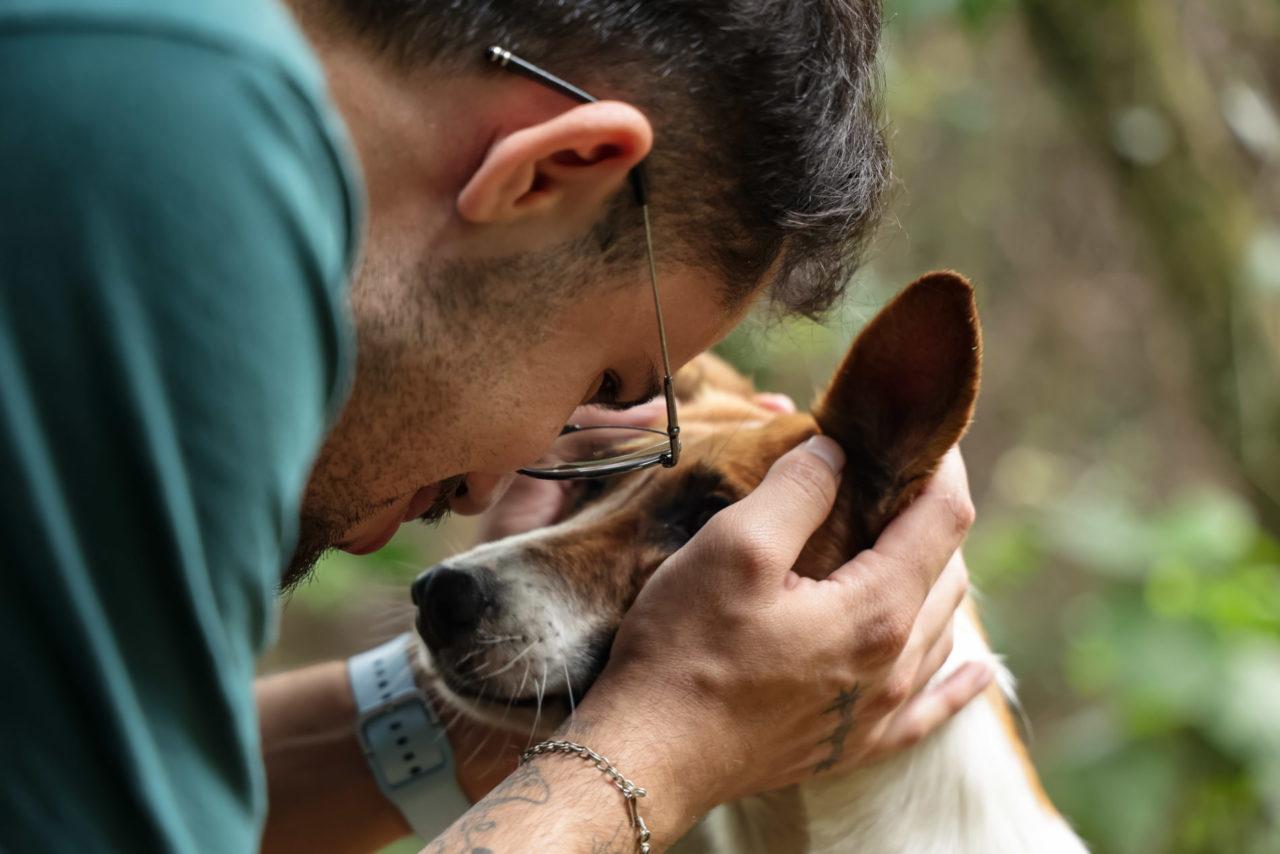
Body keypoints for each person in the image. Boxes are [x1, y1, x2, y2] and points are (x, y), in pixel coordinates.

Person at [0, 0, 988, 851]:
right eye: (600, 383)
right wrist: (655, 744)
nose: (512, 476)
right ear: (551, 172)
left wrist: (470, 713)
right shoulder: (175, 152)